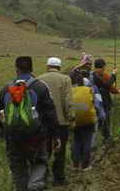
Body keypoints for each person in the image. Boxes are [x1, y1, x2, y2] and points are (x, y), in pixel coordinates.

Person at [0, 56, 60, 191]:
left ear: (16, 69)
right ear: (31, 69)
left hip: (13, 139)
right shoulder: (40, 87)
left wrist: (8, 131)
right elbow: (50, 115)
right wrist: (55, 136)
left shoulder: (6, 88)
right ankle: (34, 186)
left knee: (18, 168)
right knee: (39, 163)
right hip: (36, 138)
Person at [38, 57, 74, 186]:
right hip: (61, 122)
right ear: (59, 67)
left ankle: (42, 178)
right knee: (60, 151)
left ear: (47, 66)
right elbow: (68, 101)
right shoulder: (65, 79)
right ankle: (58, 178)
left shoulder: (39, 79)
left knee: (44, 151)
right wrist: (71, 117)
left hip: (43, 123)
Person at [71, 75, 105, 171]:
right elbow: (97, 105)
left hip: (76, 120)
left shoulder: (72, 91)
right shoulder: (90, 90)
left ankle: (75, 164)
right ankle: (85, 165)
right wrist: (102, 116)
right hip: (88, 120)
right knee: (87, 142)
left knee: (76, 142)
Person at [91, 58, 120, 144]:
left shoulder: (93, 75)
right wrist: (114, 75)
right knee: (105, 120)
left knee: (104, 120)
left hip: (99, 102)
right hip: (102, 102)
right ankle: (105, 138)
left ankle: (105, 137)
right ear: (99, 68)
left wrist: (116, 91)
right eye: (103, 68)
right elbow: (107, 85)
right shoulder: (95, 77)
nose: (104, 69)